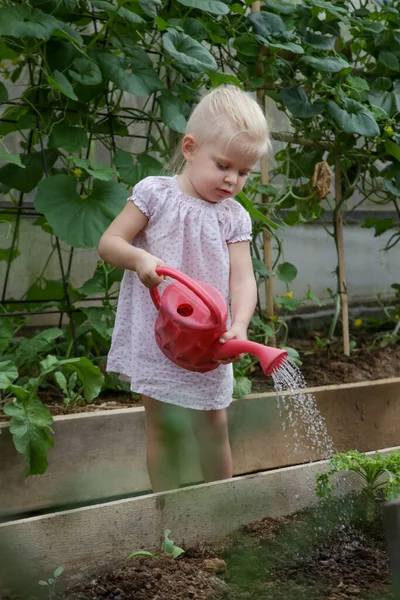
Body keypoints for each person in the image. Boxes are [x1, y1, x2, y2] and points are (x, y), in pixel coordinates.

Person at [98, 85, 271, 493]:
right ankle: (168, 512)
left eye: (244, 172)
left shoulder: (233, 217)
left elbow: (243, 279)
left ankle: (220, 509)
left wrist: (241, 324)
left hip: (208, 339)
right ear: (190, 148)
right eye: (224, 165)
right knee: (164, 428)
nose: (232, 180)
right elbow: (110, 243)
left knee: (214, 424)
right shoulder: (155, 195)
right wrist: (141, 260)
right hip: (159, 335)